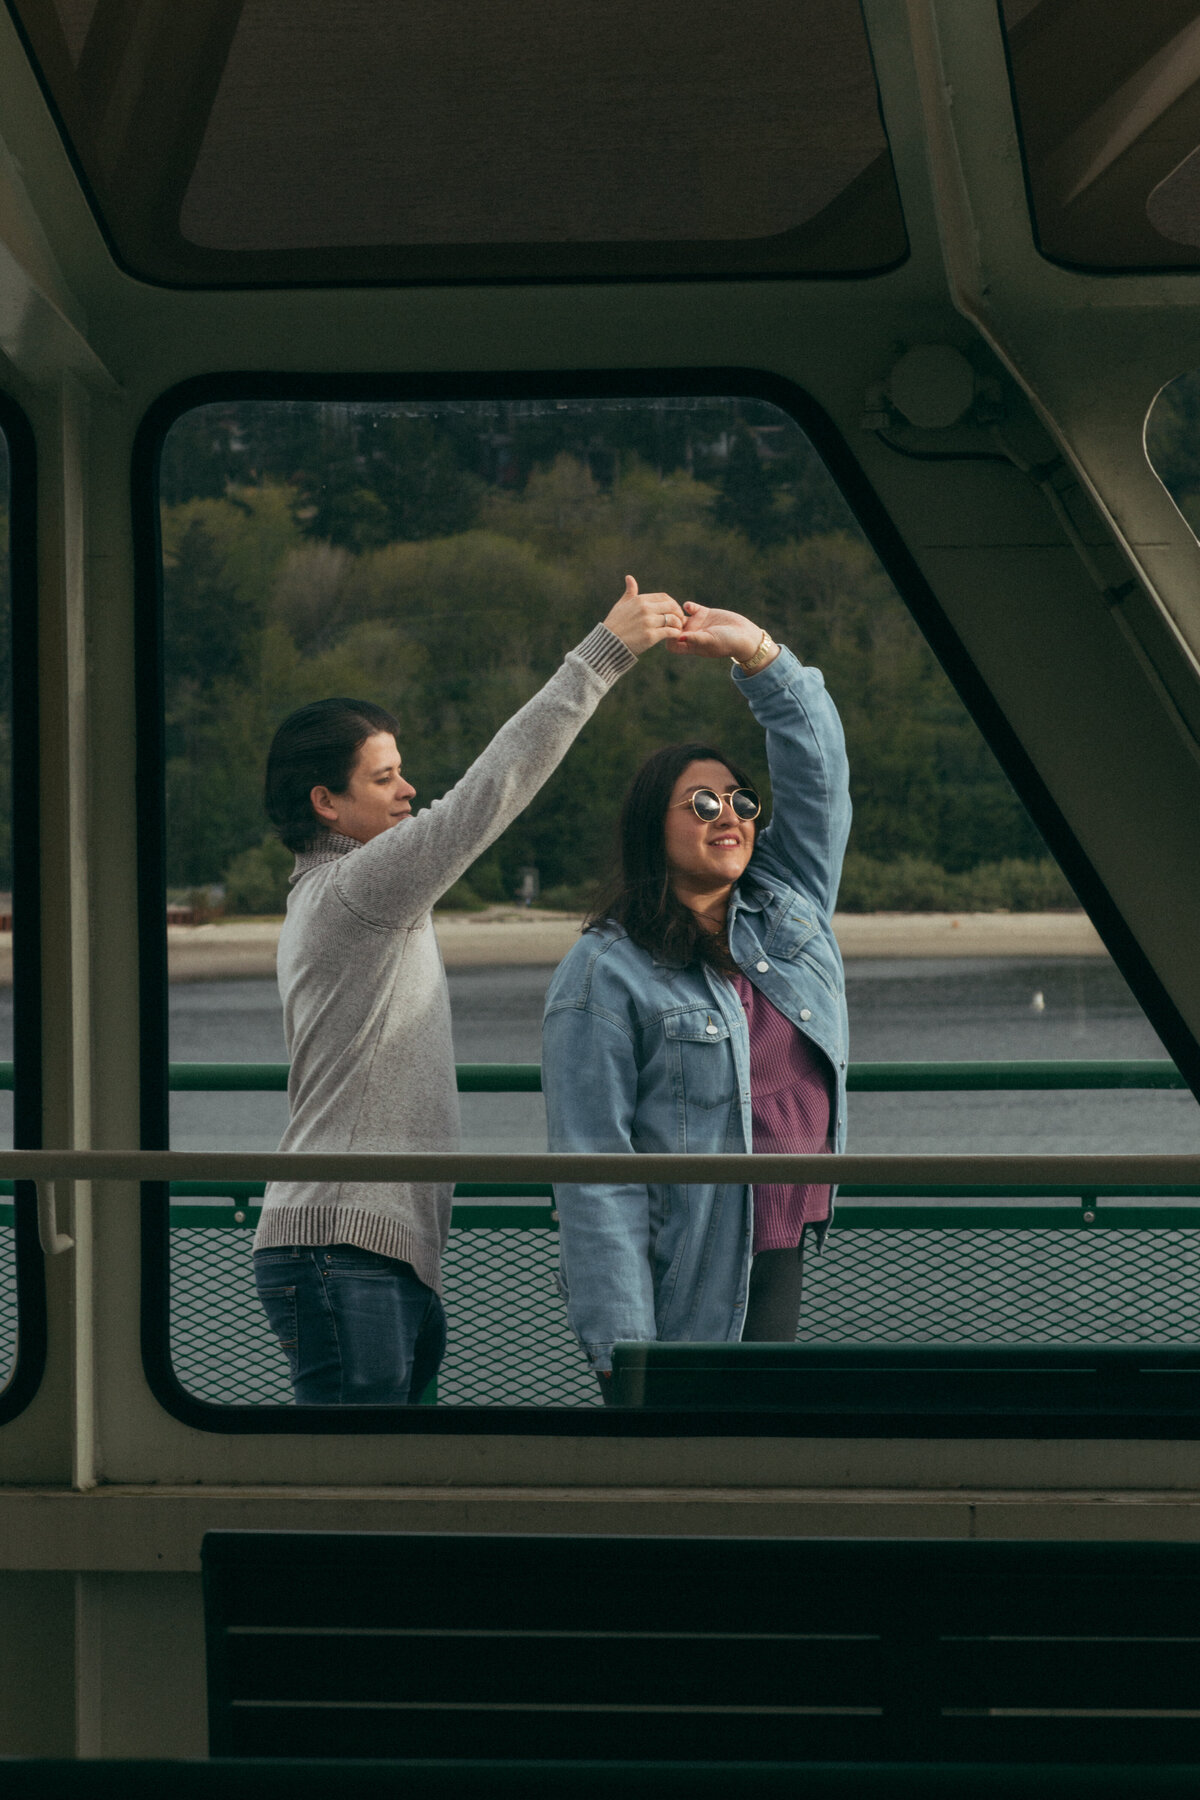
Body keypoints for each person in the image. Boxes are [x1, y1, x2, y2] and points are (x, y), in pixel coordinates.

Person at [253, 578, 685, 1405]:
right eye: (386, 780)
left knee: (388, 1494)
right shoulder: (358, 887)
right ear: (327, 804)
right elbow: (488, 796)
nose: (409, 792)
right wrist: (603, 656)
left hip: (370, 1251)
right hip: (343, 1249)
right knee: (358, 1500)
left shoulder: (341, 892)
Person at [542, 601, 851, 1396]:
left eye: (741, 800)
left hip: (777, 1242)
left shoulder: (788, 906)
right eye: (703, 803)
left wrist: (757, 654)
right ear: (655, 826)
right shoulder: (603, 973)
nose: (731, 815)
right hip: (687, 1263)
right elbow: (593, 1172)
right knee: (689, 1459)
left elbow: (819, 779)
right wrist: (626, 1356)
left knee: (753, 1463)